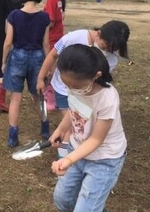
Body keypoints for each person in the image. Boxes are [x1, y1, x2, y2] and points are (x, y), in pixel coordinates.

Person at [49, 44, 127, 212]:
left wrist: (68, 158)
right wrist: (60, 130)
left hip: (104, 159)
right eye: (66, 85)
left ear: (96, 76)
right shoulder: (76, 86)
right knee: (63, 200)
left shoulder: (107, 99)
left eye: (75, 85)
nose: (71, 89)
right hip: (78, 150)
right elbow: (74, 109)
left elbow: (96, 140)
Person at [36, 20, 130, 157]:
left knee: (77, 125)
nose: (105, 51)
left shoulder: (111, 60)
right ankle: (64, 156)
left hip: (85, 94)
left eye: (110, 49)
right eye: (104, 46)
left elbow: (99, 83)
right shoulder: (75, 38)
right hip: (63, 89)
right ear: (98, 34)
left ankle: (71, 155)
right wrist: (41, 77)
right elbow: (53, 54)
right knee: (70, 125)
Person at [2, 0, 50, 147]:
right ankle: (45, 127)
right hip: (38, 57)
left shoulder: (14, 15)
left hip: (17, 56)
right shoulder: (44, 17)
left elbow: (8, 42)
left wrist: (3, 61)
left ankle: (13, 135)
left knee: (15, 98)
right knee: (39, 95)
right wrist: (48, 66)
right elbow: (46, 44)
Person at [41, 0, 66, 111]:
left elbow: (50, 22)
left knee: (50, 71)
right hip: (57, 38)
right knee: (55, 70)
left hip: (51, 40)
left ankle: (51, 99)